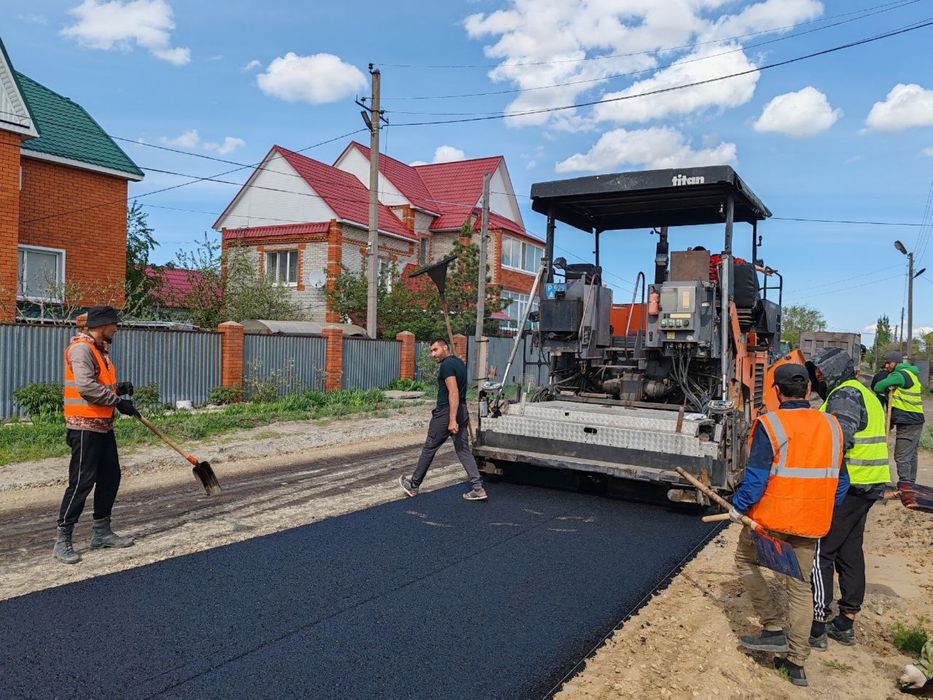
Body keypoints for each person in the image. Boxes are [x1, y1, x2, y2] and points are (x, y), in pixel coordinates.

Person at [728, 363, 847, 687]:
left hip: (771, 520)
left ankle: (772, 628)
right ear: (808, 391)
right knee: (800, 588)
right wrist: (821, 506)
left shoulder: (771, 424)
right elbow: (842, 483)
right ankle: (796, 664)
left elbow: (755, 479)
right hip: (811, 523)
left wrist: (738, 509)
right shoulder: (832, 426)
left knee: (744, 561)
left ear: (777, 391)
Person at [805, 348, 890, 650]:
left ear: (836, 371)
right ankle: (845, 621)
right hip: (867, 485)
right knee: (849, 551)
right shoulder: (864, 394)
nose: (819, 378)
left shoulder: (845, 396)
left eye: (821, 373)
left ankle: (816, 626)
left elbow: (839, 437)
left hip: (849, 486)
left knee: (821, 551)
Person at [53, 305, 139, 564]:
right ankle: (62, 540)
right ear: (102, 324)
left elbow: (98, 383)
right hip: (84, 428)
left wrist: (118, 388)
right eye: (114, 324)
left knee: (111, 476)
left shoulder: (100, 351)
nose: (116, 329)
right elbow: (86, 386)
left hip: (102, 426)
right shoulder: (81, 349)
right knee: (81, 482)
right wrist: (117, 401)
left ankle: (101, 533)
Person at [399, 338, 487, 502]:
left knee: (429, 448)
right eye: (431, 351)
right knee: (463, 450)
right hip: (461, 410)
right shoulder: (459, 363)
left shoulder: (446, 366)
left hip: (447, 412)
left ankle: (414, 485)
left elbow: (453, 392)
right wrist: (461, 416)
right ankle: (478, 488)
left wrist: (452, 420)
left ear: (445, 348)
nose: (433, 354)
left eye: (435, 350)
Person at [873, 350, 925, 483]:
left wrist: (887, 384)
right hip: (915, 420)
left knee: (901, 456)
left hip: (908, 421)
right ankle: (910, 485)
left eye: (888, 363)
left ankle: (905, 486)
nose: (886, 366)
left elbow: (878, 386)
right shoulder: (910, 373)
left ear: (896, 363)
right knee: (911, 455)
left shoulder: (899, 375)